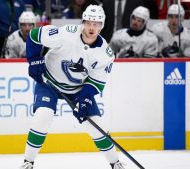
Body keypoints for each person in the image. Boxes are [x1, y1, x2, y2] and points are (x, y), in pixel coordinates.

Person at [21, 4, 125, 169]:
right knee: (43, 116)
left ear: (102, 25)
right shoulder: (66, 33)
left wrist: (84, 100)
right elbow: (34, 35)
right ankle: (28, 162)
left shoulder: (106, 54)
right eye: (89, 22)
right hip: (49, 82)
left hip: (77, 90)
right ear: (83, 21)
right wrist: (34, 61)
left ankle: (116, 163)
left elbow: (95, 82)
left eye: (96, 24)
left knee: (96, 126)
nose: (92, 27)